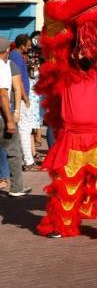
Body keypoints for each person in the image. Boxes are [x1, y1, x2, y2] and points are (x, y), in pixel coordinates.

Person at [0, 37, 31, 196]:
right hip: (2, 116)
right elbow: (3, 95)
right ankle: (17, 187)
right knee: (13, 151)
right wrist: (10, 120)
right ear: (6, 51)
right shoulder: (4, 67)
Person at [9, 34, 36, 170]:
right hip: (20, 98)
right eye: (28, 45)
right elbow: (18, 80)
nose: (30, 47)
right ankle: (28, 161)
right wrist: (25, 98)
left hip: (21, 97)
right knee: (25, 129)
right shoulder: (16, 56)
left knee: (24, 129)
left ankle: (25, 160)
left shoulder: (17, 56)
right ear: (22, 45)